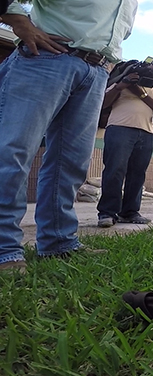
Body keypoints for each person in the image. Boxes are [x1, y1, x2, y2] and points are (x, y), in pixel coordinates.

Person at [0, 0, 138, 274]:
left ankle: (59, 242)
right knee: (13, 152)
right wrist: (20, 22)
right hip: (45, 58)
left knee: (71, 162)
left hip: (97, 71)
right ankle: (4, 248)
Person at [97, 62, 153, 227]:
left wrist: (141, 94)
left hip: (146, 134)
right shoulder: (121, 85)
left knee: (137, 174)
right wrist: (121, 86)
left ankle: (130, 212)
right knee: (114, 170)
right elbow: (103, 103)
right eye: (150, 70)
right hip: (119, 129)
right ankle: (107, 213)